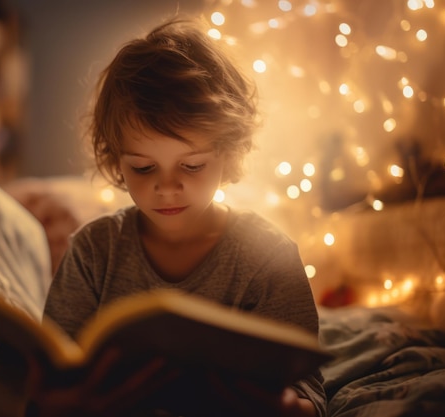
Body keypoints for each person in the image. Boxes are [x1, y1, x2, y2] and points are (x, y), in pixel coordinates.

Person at [44, 17, 326, 417]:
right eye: (143, 168)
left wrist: (280, 407)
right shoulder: (94, 250)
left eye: (191, 166)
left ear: (228, 154)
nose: (167, 187)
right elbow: (54, 370)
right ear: (117, 161)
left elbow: (310, 395)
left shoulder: (269, 256)